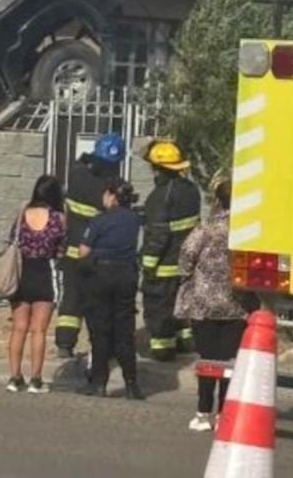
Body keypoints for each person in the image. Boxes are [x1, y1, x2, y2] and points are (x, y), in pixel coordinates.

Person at [176, 177, 255, 431]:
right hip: (236, 305)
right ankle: (224, 414)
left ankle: (202, 413)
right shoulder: (248, 230)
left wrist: (190, 276)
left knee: (208, 360)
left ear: (218, 200)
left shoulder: (207, 227)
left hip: (204, 304)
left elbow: (187, 255)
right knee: (229, 363)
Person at [56, 132, 125, 359]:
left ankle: (64, 344)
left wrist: (88, 158)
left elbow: (80, 165)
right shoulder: (112, 188)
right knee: (102, 302)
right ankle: (105, 348)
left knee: (72, 299)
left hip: (74, 250)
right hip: (100, 255)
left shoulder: (76, 175)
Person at [77, 177, 145, 400]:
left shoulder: (100, 221)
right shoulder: (134, 219)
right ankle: (132, 385)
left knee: (100, 331)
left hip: (101, 276)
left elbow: (83, 252)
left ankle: (99, 383)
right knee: (125, 332)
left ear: (112, 196)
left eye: (106, 194)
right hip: (126, 275)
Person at [138, 139, 201, 360]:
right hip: (186, 263)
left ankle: (162, 349)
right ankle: (186, 341)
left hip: (163, 266)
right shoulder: (191, 190)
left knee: (159, 308)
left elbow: (159, 235)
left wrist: (147, 264)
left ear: (158, 168)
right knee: (181, 304)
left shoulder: (159, 196)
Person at [5, 175, 67, 394]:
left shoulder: (22, 213)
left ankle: (14, 377)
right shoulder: (58, 218)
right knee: (39, 330)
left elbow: (11, 239)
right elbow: (62, 249)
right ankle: (36, 379)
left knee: (18, 328)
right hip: (45, 274)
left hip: (22, 273)